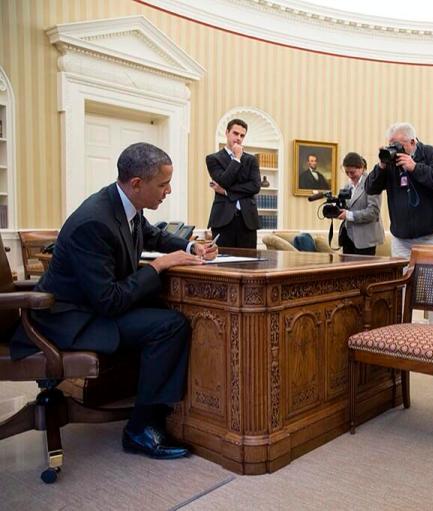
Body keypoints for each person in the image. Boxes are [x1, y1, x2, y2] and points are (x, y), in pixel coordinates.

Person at [10, 142, 217, 459]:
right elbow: (110, 302)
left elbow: (152, 234)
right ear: (137, 184)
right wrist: (159, 265)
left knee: (162, 312)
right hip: (68, 321)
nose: (169, 190)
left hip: (90, 308)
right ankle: (141, 429)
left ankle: (148, 403)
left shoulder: (122, 206)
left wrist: (190, 249)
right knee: (169, 326)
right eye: (163, 184)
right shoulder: (94, 221)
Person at [365, 122, 433, 325]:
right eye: (390, 144)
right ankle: (404, 328)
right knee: (401, 286)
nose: (393, 149)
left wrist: (414, 167)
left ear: (412, 142)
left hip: (431, 237)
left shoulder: (430, 153)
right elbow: (370, 188)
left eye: (398, 144)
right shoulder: (390, 163)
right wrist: (381, 166)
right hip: (402, 239)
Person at [206, 118, 261, 248]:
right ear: (227, 132)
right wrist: (236, 158)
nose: (238, 138)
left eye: (242, 135)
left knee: (249, 263)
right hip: (222, 220)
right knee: (222, 263)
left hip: (247, 220)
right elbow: (224, 181)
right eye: (235, 133)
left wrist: (226, 192)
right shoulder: (213, 159)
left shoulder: (251, 160)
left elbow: (255, 187)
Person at [337, 152, 384, 256]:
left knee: (363, 272)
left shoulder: (372, 183)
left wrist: (349, 215)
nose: (349, 176)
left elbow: (373, 212)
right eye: (347, 172)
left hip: (365, 240)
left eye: (352, 172)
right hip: (348, 238)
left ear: (362, 168)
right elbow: (348, 207)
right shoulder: (348, 185)